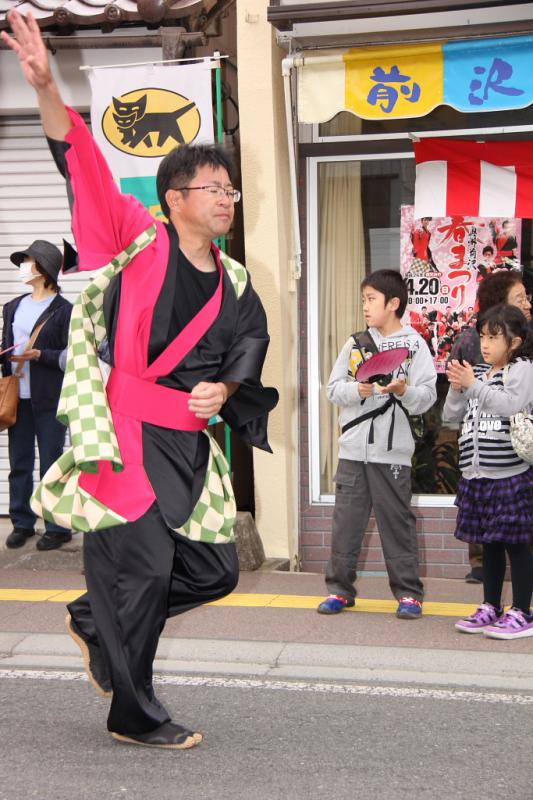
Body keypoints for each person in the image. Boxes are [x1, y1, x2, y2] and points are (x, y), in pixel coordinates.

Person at [2, 10, 278, 750]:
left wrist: (226, 389)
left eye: (231, 190)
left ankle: (95, 618)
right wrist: (46, 88)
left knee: (215, 571)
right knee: (147, 570)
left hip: (186, 444)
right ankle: (133, 709)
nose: (225, 199)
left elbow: (251, 341)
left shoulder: (235, 281)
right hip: (123, 436)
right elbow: (82, 160)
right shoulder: (137, 239)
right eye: (212, 188)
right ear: (175, 198)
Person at [317, 269, 437, 620]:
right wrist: (358, 390)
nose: (365, 307)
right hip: (353, 451)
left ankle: (408, 594)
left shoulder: (415, 346)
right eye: (363, 300)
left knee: (396, 522)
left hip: (393, 453)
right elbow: (332, 389)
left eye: (371, 299)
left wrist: (405, 391)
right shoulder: (354, 343)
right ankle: (339, 590)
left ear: (393, 303)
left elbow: (428, 396)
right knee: (346, 524)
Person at [445, 304, 533, 639]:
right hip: (477, 474)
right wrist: (457, 387)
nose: (485, 343)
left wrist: (474, 385)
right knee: (490, 544)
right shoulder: (478, 373)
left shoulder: (523, 369)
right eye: (483, 335)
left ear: (514, 342)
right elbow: (450, 417)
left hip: (510, 473)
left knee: (517, 545)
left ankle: (523, 611)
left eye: (494, 337)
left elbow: (511, 405)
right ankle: (491, 606)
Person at [1, 240, 72, 551]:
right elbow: (9, 346)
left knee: (52, 463)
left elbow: (72, 356)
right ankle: (22, 522)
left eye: (28, 260)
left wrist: (40, 355)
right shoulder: (12, 307)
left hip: (51, 398)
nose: (23, 266)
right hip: (19, 396)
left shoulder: (65, 310)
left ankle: (57, 527)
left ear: (44, 269)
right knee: (19, 461)